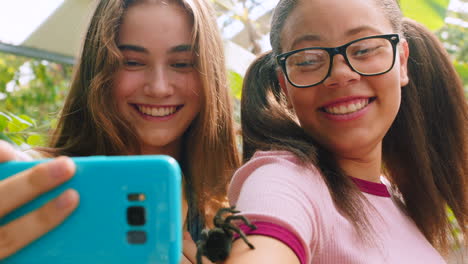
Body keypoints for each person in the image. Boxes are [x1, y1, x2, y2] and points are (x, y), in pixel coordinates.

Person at [225, 0, 467, 263]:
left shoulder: (395, 197)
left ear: (402, 62)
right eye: (308, 60)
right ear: (285, 85)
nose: (341, 74)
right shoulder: (285, 179)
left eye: (364, 49)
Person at [0, 0, 240, 262]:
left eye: (182, 63)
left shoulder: (236, 206)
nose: (159, 88)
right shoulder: (38, 182)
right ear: (98, 68)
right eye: (133, 62)